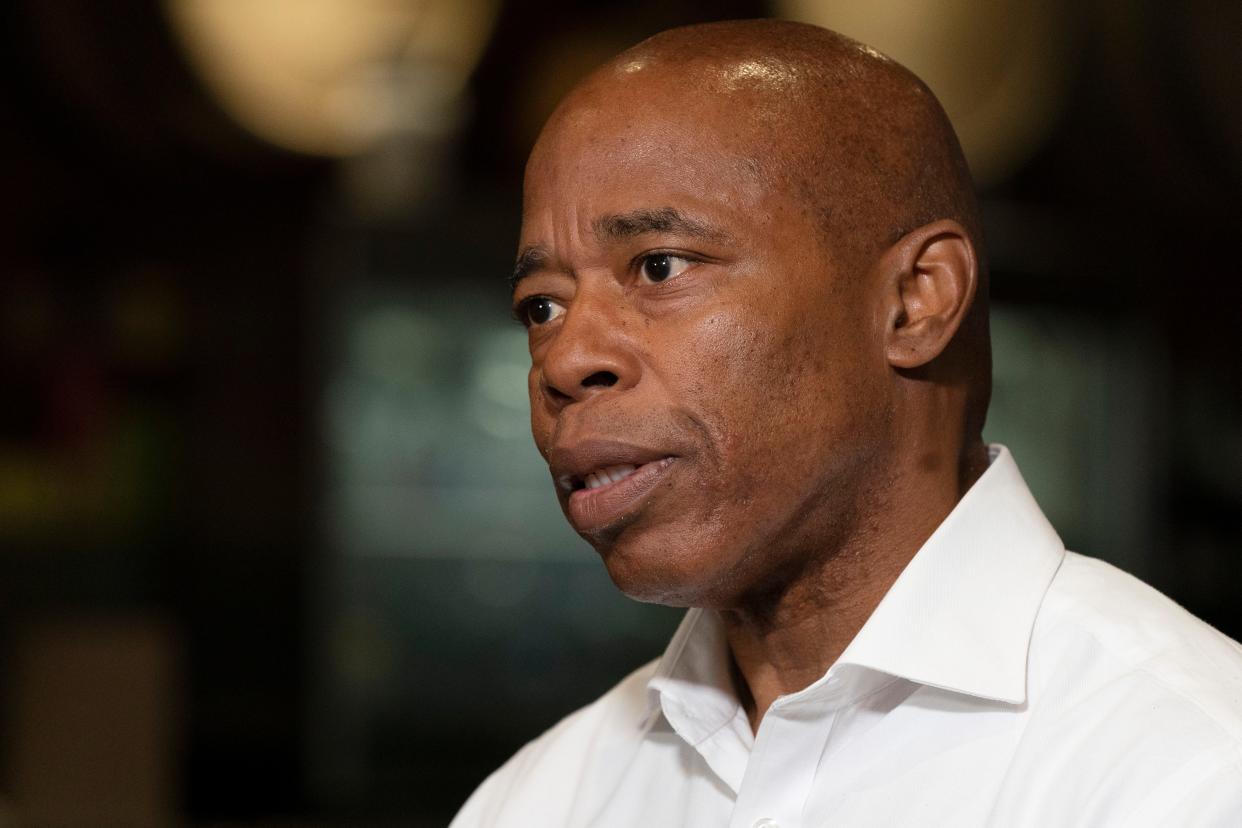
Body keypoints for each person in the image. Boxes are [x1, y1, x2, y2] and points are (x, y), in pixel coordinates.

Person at [452, 19, 1242, 827]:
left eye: (660, 266)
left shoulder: (1188, 772)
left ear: (915, 299)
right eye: (540, 306)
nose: (563, 359)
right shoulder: (538, 800)